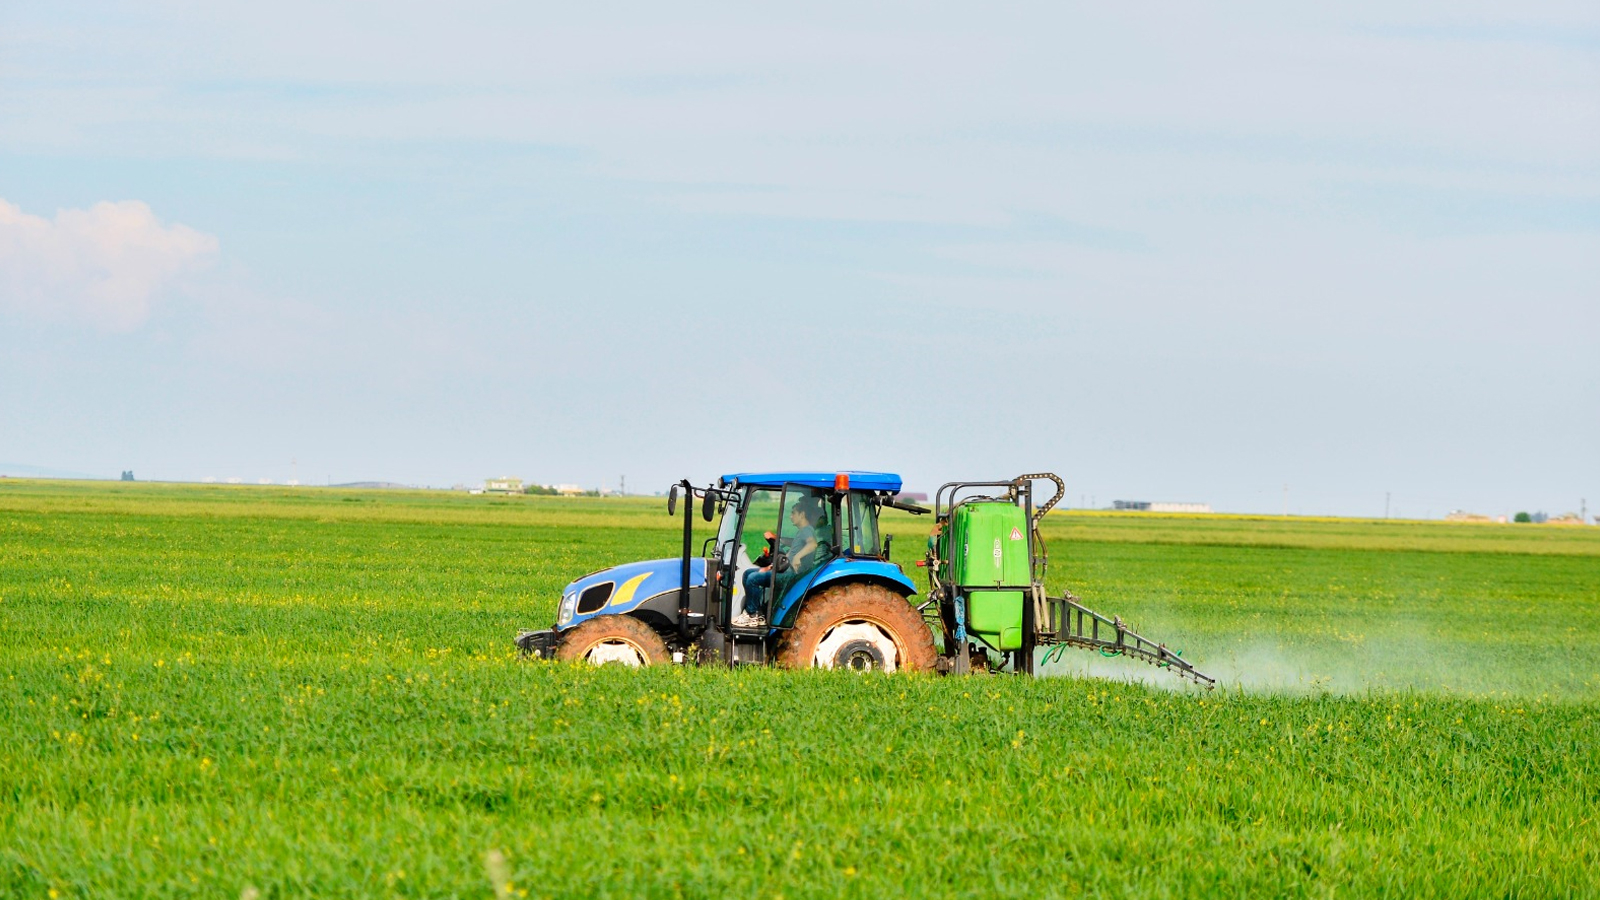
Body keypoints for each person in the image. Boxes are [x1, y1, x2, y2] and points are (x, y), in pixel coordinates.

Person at [734, 498, 822, 627]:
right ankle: (757, 612)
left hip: (791, 574)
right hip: (786, 569)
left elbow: (812, 544)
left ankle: (753, 615)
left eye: (793, 513)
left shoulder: (807, 530)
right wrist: (773, 566)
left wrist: (798, 556)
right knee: (747, 573)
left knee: (753, 578)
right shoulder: (801, 532)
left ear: (802, 514)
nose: (791, 517)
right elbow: (790, 553)